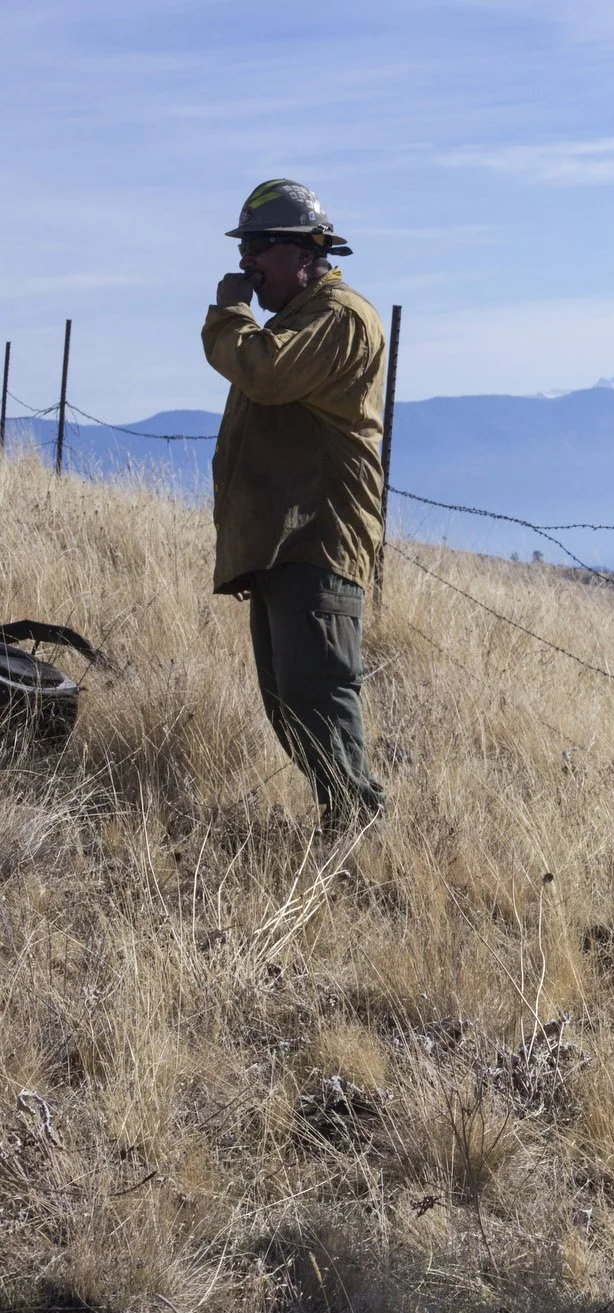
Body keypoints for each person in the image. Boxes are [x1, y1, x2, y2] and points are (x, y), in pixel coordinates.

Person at [205, 179, 388, 827]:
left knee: (318, 692)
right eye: (246, 244)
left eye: (259, 245)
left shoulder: (337, 317)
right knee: (289, 701)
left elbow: (264, 373)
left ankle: (359, 831)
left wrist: (230, 313)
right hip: (289, 543)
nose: (246, 260)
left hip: (319, 538)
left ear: (303, 251)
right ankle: (345, 823)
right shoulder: (299, 320)